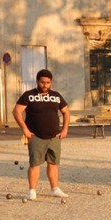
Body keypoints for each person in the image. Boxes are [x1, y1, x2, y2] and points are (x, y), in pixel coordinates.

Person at [12, 69, 70, 201]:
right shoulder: (28, 95)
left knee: (53, 163)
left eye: (48, 83)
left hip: (54, 136)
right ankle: (32, 191)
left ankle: (55, 189)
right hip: (36, 136)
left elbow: (66, 112)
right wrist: (25, 129)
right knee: (35, 164)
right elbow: (16, 112)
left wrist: (65, 129)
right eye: (42, 82)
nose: (45, 85)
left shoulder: (56, 95)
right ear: (37, 81)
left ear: (51, 82)